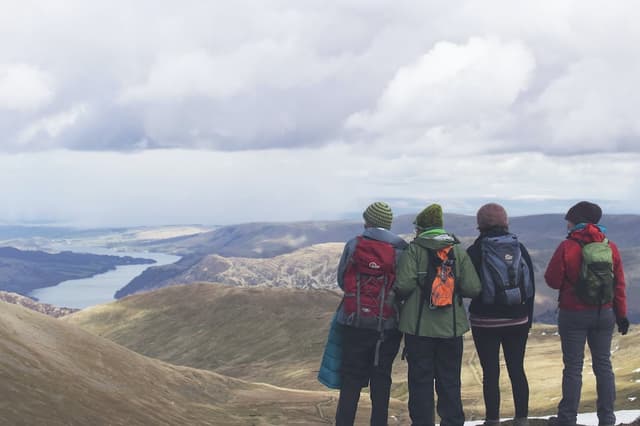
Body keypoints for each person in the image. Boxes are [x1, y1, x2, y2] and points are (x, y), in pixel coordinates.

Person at [394, 203, 481, 426]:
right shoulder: (457, 251)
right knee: (449, 380)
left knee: (420, 381)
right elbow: (473, 288)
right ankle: (452, 422)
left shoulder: (414, 250)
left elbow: (402, 285)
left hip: (418, 329)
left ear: (421, 228)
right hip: (451, 329)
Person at [545, 201, 629, 426]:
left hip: (573, 313)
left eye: (568, 221)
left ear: (575, 221)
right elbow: (618, 284)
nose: (567, 225)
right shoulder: (610, 246)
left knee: (573, 367)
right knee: (603, 365)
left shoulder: (568, 246)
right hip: (605, 313)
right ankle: (607, 419)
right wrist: (621, 315)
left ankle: (567, 419)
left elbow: (552, 281)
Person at [334, 201, 408, 426]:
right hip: (386, 326)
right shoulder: (401, 249)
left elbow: (341, 280)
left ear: (367, 221)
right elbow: (404, 286)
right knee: (381, 378)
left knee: (351, 380)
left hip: (354, 323)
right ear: (388, 223)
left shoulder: (354, 244)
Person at [466, 203, 535, 426]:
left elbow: (468, 287)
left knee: (490, 371)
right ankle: (522, 418)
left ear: (480, 224)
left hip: (485, 322)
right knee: (517, 368)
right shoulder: (519, 248)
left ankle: (492, 420)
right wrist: (527, 319)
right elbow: (530, 287)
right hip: (518, 319)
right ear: (505, 222)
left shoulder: (475, 251)